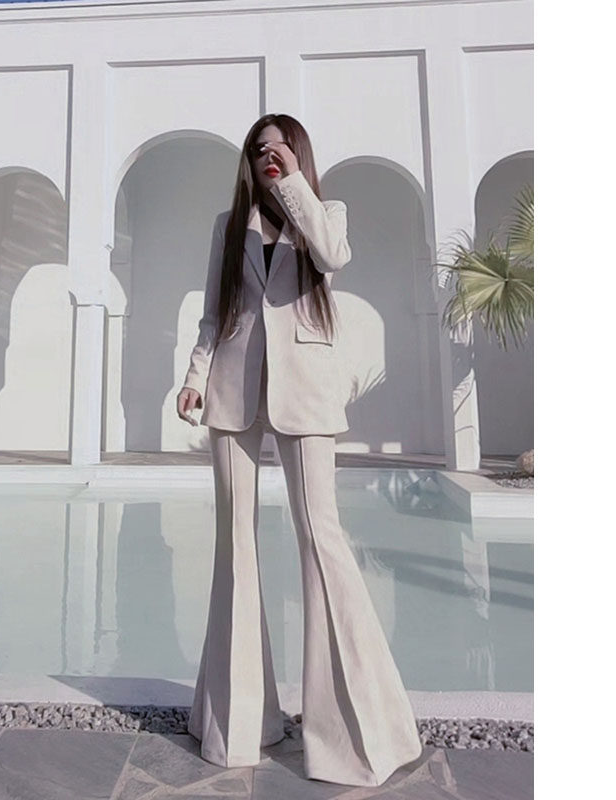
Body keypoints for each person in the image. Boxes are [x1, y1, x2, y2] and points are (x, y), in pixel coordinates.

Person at [175, 113, 423, 788]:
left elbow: (333, 256)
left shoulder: (324, 212)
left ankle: (356, 736)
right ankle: (238, 726)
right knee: (234, 547)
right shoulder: (227, 227)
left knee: (322, 539)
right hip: (231, 391)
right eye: (258, 149)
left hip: (306, 393)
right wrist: (195, 377)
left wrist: (292, 188)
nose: (268, 155)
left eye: (279, 146)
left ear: (297, 153)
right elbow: (214, 314)